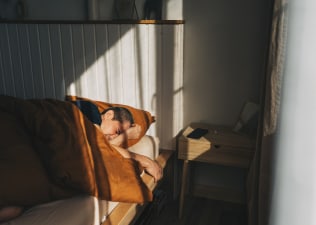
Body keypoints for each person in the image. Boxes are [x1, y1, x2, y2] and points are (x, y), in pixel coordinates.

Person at [73, 102, 163, 182]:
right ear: (108, 115)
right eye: (118, 131)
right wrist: (146, 161)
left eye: (119, 136)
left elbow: (100, 148)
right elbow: (99, 147)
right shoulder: (89, 109)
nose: (114, 138)